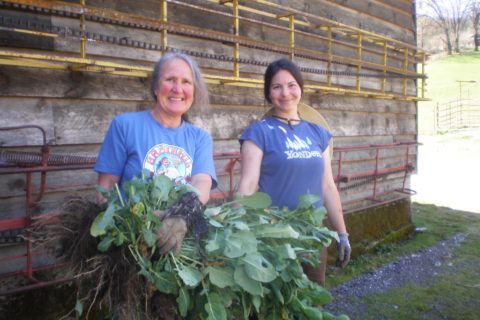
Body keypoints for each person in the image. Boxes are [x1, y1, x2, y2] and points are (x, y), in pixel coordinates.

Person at [237, 58, 351, 286]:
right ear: (268, 93)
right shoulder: (258, 133)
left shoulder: (318, 134)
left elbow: (327, 186)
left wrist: (342, 233)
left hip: (312, 236)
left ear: (300, 88)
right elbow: (248, 186)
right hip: (272, 235)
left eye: (291, 85)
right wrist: (238, 231)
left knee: (311, 304)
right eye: (276, 87)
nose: (285, 93)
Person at [94, 52, 217, 255]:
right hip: (130, 242)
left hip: (180, 237)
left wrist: (180, 216)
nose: (178, 89)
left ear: (194, 91)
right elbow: (105, 189)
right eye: (170, 80)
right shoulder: (125, 126)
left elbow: (202, 183)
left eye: (186, 82)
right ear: (155, 86)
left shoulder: (199, 138)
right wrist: (124, 231)